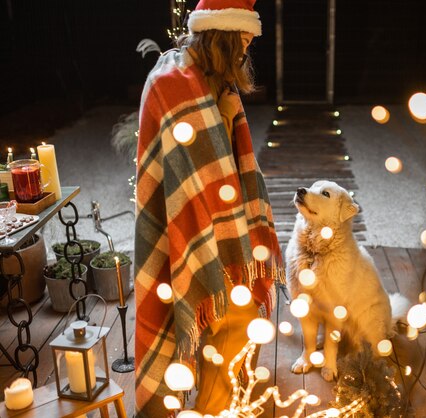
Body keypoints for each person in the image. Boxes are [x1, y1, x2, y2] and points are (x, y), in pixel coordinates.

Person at [134, 0, 284, 416]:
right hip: (193, 236)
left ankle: (218, 405)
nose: (249, 45)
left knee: (232, 328)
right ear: (223, 34)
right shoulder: (173, 83)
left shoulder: (212, 80)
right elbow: (190, 177)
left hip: (221, 235)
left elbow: (223, 167)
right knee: (231, 326)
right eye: (245, 37)